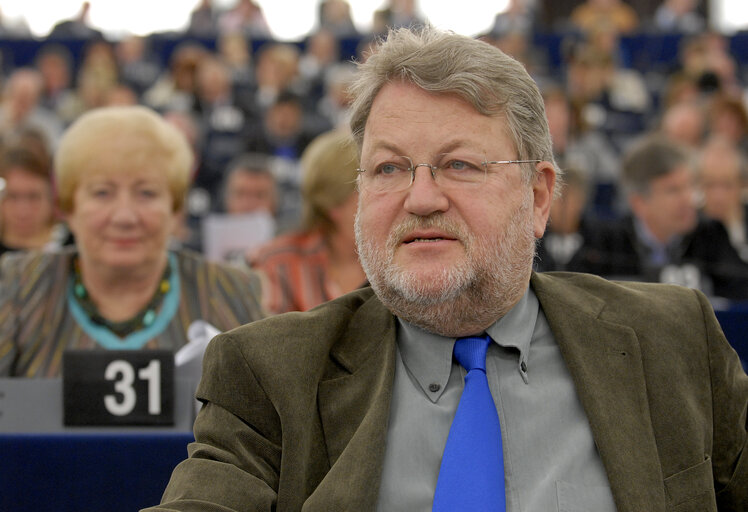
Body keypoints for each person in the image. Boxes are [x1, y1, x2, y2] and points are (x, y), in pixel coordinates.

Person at [146, 27, 747, 511]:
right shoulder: (268, 374)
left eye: (458, 165)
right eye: (389, 168)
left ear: (538, 197)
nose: (421, 197)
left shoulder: (674, 341)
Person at [0, 105, 264, 378]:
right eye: (102, 193)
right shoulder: (20, 287)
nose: (124, 216)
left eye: (146, 193)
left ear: (175, 209)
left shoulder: (231, 292)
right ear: (69, 207)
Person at [573, 134, 748, 301]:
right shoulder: (604, 244)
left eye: (690, 186)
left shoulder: (711, 235)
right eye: (673, 190)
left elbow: (741, 293)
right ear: (639, 203)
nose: (689, 199)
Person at [247, 129, 365, 314]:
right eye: (367, 191)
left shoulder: (394, 259)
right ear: (333, 203)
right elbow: (275, 340)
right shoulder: (279, 263)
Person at [0, 145, 70, 256]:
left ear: (52, 196)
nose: (23, 211)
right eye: (13, 197)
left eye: (33, 197)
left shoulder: (73, 243)